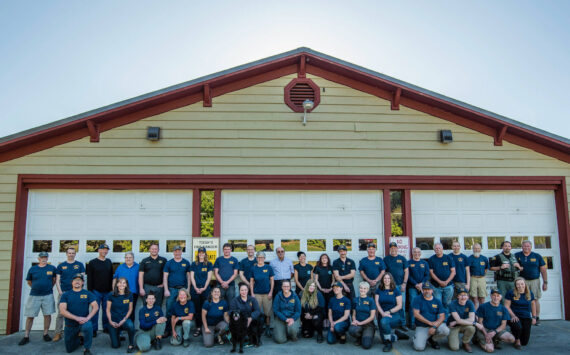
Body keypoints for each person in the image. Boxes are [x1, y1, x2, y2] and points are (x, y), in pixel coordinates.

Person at [19, 251, 57, 346]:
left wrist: (47, 288)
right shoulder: (33, 269)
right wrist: (36, 287)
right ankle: (26, 336)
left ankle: (45, 334)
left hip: (48, 295)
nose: (44, 259)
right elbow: (29, 281)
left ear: (47, 258)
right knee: (30, 315)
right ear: (38, 259)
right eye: (42, 257)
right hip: (34, 295)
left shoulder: (52, 268)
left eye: (45, 257)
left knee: (47, 314)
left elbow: (54, 281)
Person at [59, 274, 98, 355]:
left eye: (79, 280)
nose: (77, 282)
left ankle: (86, 348)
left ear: (83, 282)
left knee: (88, 326)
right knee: (70, 349)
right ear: (72, 282)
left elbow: (95, 307)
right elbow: (62, 311)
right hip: (70, 324)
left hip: (84, 322)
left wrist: (88, 318)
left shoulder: (87, 293)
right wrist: (76, 318)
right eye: (75, 280)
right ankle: (79, 338)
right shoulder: (66, 294)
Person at [54, 247, 85, 342]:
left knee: (77, 312)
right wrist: (60, 292)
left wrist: (80, 290)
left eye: (73, 253)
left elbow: (82, 279)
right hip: (64, 293)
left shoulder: (79, 265)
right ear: (66, 254)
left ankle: (79, 332)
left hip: (76, 293)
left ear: (75, 254)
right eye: (69, 253)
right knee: (60, 314)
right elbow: (57, 281)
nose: (71, 254)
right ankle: (58, 333)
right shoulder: (61, 266)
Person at [515, 240, 547, 325]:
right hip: (521, 282)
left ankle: (536, 317)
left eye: (528, 246)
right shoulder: (517, 255)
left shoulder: (537, 256)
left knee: (535, 299)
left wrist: (545, 282)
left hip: (534, 281)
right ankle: (523, 318)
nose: (526, 247)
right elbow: (512, 264)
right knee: (520, 298)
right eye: (524, 246)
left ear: (531, 247)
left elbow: (543, 270)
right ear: (522, 247)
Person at [411, 281, 450, 351]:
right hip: (422, 326)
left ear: (432, 290)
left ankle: (432, 339)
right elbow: (416, 314)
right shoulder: (417, 299)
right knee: (419, 347)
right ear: (422, 290)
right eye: (425, 289)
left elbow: (442, 316)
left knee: (445, 330)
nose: (427, 291)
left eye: (429, 289)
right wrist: (429, 323)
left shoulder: (437, 301)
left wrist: (434, 326)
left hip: (434, 325)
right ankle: (416, 337)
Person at [375, 272, 409, 352]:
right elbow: (377, 303)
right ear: (382, 280)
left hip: (394, 314)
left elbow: (399, 305)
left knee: (384, 322)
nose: (386, 280)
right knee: (383, 339)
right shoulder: (379, 290)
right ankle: (397, 335)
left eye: (388, 278)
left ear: (391, 279)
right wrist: (382, 313)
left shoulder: (396, 290)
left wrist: (388, 312)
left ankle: (388, 343)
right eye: (385, 278)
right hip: (382, 314)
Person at [163, 245, 191, 337]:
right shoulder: (169, 263)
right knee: (169, 310)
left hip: (183, 290)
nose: (177, 253)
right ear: (173, 252)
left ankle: (183, 330)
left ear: (181, 252)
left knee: (184, 310)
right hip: (172, 289)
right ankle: (168, 330)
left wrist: (188, 289)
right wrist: (166, 289)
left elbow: (189, 277)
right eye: (176, 251)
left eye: (179, 251)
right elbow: (165, 276)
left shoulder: (186, 263)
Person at [86, 243, 113, 336]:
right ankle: (93, 329)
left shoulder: (109, 262)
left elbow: (111, 277)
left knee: (107, 310)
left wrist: (112, 290)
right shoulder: (92, 262)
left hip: (107, 291)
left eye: (106, 250)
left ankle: (106, 327)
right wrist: (90, 291)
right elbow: (89, 278)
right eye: (103, 249)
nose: (105, 251)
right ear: (99, 250)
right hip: (95, 291)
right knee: (95, 310)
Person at [504, 277, 537, 349]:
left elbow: (533, 304)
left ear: (525, 284)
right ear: (515, 285)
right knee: (518, 327)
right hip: (514, 316)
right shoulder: (511, 293)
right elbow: (506, 306)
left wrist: (534, 317)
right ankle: (517, 340)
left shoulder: (530, 293)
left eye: (522, 284)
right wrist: (513, 316)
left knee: (524, 342)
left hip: (526, 317)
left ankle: (513, 333)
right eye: (518, 284)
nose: (520, 286)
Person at [105, 277, 136, 352]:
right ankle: (117, 335)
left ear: (126, 285)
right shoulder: (111, 295)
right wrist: (110, 321)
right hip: (113, 320)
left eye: (124, 283)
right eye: (120, 282)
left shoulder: (129, 294)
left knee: (131, 326)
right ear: (117, 284)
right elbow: (108, 309)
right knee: (115, 346)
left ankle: (131, 344)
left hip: (124, 319)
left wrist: (124, 320)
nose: (122, 284)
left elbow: (130, 309)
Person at [384, 242, 409, 331]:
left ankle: (403, 323)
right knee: (391, 305)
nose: (393, 249)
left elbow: (406, 271)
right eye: (391, 248)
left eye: (395, 248)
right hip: (390, 287)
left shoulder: (402, 258)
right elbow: (384, 273)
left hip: (400, 286)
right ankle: (391, 323)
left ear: (397, 249)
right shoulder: (386, 259)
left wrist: (404, 283)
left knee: (401, 305)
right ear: (389, 249)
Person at [230, 282, 264, 347]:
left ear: (248, 290)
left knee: (261, 318)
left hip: (251, 319)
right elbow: (231, 312)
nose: (244, 292)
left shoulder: (252, 299)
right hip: (240, 320)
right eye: (242, 290)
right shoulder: (235, 300)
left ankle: (257, 339)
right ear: (239, 291)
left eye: (245, 290)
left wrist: (251, 317)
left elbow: (257, 310)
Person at [250, 251, 274, 337]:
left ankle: (267, 328)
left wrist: (271, 291)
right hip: (257, 294)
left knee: (267, 313)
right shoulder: (253, 268)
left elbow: (272, 280)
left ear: (264, 258)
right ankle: (257, 328)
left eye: (262, 257)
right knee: (257, 312)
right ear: (256, 258)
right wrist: (252, 293)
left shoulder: (268, 268)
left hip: (267, 293)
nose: (260, 259)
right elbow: (251, 282)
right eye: (259, 257)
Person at [190, 246, 213, 337]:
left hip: (205, 289)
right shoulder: (193, 264)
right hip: (195, 290)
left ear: (205, 254)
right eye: (200, 252)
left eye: (203, 252)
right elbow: (192, 277)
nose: (201, 254)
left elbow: (209, 277)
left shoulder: (209, 264)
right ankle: (198, 327)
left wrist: (204, 287)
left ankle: (206, 326)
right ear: (198, 254)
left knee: (206, 308)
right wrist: (195, 287)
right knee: (197, 309)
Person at [138, 243, 168, 311]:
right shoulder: (144, 261)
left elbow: (166, 274)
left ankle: (157, 321)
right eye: (152, 249)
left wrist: (163, 284)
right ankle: (146, 321)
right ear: (149, 250)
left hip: (159, 288)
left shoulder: (163, 260)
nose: (154, 250)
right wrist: (141, 288)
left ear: (158, 250)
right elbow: (140, 275)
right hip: (147, 287)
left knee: (158, 307)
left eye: (155, 249)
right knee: (146, 307)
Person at [112, 252, 139, 323]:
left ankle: (130, 328)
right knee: (121, 310)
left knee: (131, 310)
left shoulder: (138, 266)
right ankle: (120, 328)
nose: (128, 259)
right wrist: (113, 290)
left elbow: (142, 278)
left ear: (133, 258)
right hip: (121, 292)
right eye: (126, 257)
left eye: (130, 257)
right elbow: (115, 279)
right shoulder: (120, 267)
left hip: (133, 292)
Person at [447, 287, 476, 352]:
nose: (463, 297)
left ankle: (465, 342)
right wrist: (474, 323)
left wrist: (456, 322)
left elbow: (472, 319)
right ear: (458, 296)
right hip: (453, 326)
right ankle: (450, 337)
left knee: (471, 328)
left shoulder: (470, 303)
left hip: (462, 324)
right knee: (454, 348)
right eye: (461, 295)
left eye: (465, 295)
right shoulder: (453, 304)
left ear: (468, 296)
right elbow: (459, 320)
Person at [348, 281, 376, 350]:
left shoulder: (371, 300)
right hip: (358, 323)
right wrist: (354, 321)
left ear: (367, 290)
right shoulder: (355, 300)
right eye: (361, 288)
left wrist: (361, 323)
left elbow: (372, 317)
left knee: (366, 345)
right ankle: (359, 337)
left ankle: (367, 335)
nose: (362, 290)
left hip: (368, 325)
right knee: (352, 330)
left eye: (364, 288)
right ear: (359, 288)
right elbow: (354, 314)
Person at [428, 242, 456, 311]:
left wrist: (446, 282)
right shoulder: (431, 259)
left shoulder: (448, 258)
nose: (437, 249)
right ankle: (439, 320)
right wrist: (440, 282)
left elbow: (453, 271)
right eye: (436, 248)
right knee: (438, 303)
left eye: (439, 248)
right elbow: (431, 273)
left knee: (447, 303)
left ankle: (446, 320)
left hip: (448, 286)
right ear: (434, 250)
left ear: (442, 249)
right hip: (436, 286)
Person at [408, 247, 430, 330]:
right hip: (412, 287)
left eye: (418, 252)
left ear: (420, 253)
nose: (417, 253)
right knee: (412, 304)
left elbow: (427, 275)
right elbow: (408, 275)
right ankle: (412, 323)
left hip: (423, 288)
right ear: (412, 253)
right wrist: (416, 284)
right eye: (415, 252)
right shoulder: (409, 262)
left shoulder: (424, 263)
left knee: (424, 304)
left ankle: (423, 322)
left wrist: (421, 284)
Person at [467, 243, 489, 309]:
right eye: (475, 248)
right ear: (473, 249)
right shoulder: (469, 258)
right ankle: (474, 314)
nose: (477, 250)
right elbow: (467, 270)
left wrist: (482, 276)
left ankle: (481, 312)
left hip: (481, 279)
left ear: (480, 249)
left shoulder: (484, 258)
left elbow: (486, 269)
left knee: (482, 297)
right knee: (474, 298)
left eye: (478, 248)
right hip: (472, 278)